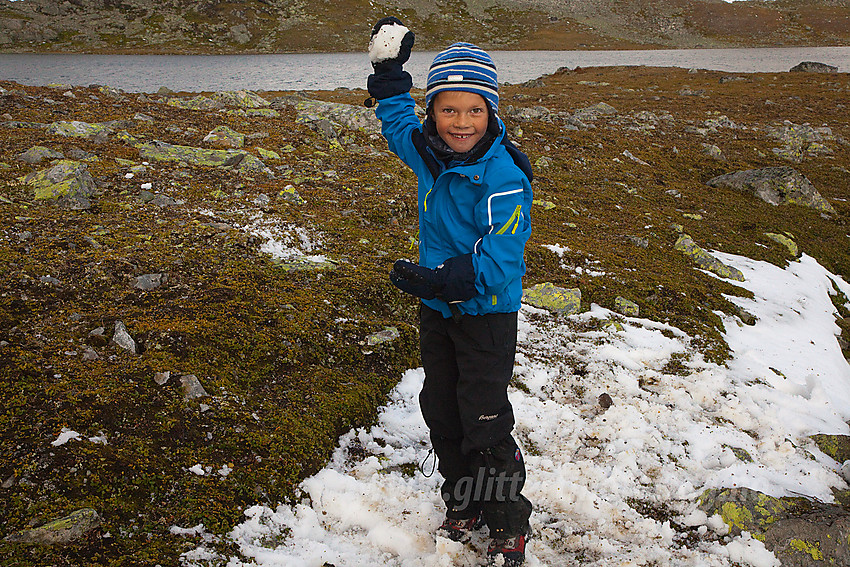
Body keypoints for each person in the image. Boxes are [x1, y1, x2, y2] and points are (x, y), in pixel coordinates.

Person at [366, 17, 534, 567]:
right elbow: (395, 124)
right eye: (448, 109)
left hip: (486, 312)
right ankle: (463, 502)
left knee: (483, 416)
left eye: (474, 110)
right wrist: (389, 72)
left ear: (491, 113)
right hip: (439, 311)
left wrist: (440, 280)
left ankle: (508, 521)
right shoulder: (430, 153)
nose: (461, 122)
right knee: (441, 409)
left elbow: (501, 257)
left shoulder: (503, 176)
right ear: (433, 113)